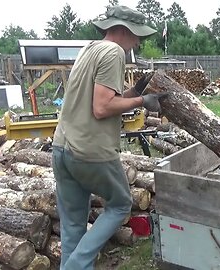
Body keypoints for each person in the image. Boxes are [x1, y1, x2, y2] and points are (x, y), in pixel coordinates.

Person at [51, 5, 166, 270]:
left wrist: (132, 91)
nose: (138, 42)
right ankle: (75, 266)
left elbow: (102, 97)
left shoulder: (89, 49)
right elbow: (101, 108)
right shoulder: (114, 52)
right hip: (90, 151)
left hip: (62, 148)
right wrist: (142, 100)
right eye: (138, 36)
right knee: (120, 204)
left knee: (73, 226)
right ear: (125, 30)